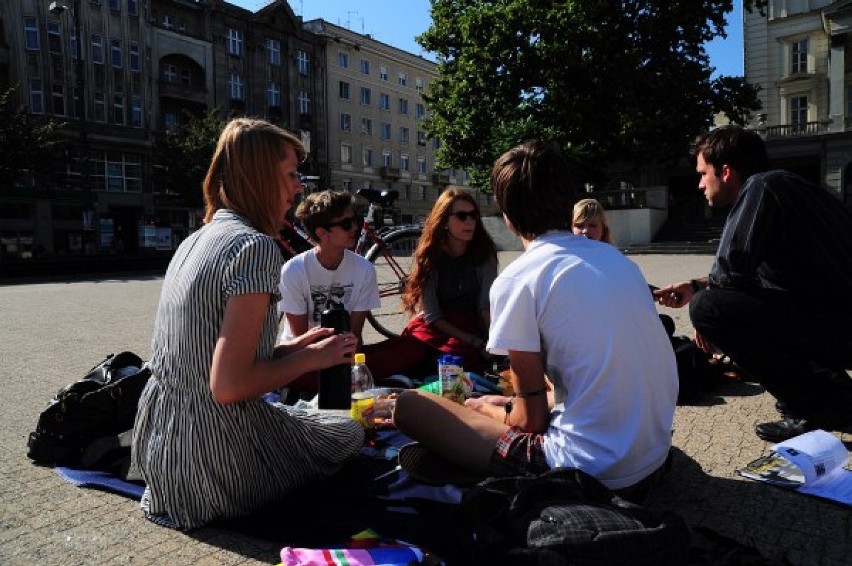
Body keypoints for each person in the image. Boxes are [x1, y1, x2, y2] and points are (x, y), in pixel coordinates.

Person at [393, 141, 678, 500]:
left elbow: (531, 422)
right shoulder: (620, 262)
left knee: (410, 406)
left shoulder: (519, 277)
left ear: (507, 217)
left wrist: (492, 411)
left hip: (590, 472)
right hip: (654, 457)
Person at [131, 118, 364, 530]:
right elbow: (229, 386)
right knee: (346, 431)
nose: (298, 188)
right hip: (213, 461)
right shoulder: (254, 247)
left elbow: (207, 358)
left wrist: (294, 348)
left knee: (314, 416)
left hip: (163, 451)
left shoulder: (196, 239)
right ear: (260, 176)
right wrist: (314, 358)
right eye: (291, 175)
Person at [653, 125, 852, 442]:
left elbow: (732, 266)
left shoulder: (760, 188)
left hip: (839, 329)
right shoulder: (792, 189)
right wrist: (695, 284)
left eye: (704, 173)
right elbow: (756, 274)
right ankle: (826, 392)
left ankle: (826, 403)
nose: (700, 183)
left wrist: (707, 306)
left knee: (709, 310)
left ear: (727, 171)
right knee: (710, 299)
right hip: (835, 323)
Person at [363, 186, 499, 380]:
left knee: (454, 357)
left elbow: (485, 307)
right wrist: (475, 342)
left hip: (471, 323)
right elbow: (433, 316)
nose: (469, 222)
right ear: (444, 221)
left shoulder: (483, 254)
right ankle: (340, 371)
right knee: (407, 351)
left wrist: (491, 342)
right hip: (436, 324)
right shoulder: (431, 255)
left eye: (473, 215)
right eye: (461, 216)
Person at [276, 190, 381, 395]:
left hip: (342, 354)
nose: (355, 227)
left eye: (355, 220)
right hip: (302, 356)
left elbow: (355, 334)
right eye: (346, 224)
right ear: (322, 233)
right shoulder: (294, 271)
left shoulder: (364, 269)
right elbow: (302, 338)